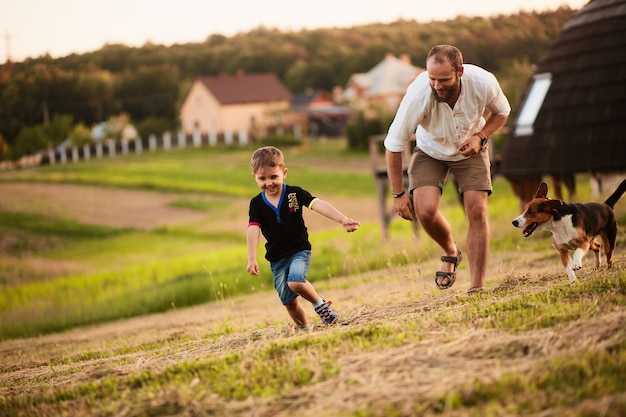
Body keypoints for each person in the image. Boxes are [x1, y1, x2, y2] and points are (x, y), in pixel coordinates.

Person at [384, 44, 510, 295]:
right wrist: (398, 194)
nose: (437, 86)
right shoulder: (419, 94)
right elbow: (394, 145)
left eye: (444, 79)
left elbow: (502, 112)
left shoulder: (484, 82)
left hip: (471, 146)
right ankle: (451, 251)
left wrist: (481, 137)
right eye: (432, 79)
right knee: (425, 210)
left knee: (477, 209)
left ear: (460, 72)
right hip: (431, 150)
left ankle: (477, 286)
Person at [246, 146, 360, 331]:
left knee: (296, 281)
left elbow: (318, 204)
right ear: (255, 177)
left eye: (274, 177)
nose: (269, 183)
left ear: (284, 173)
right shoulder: (256, 204)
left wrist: (342, 219)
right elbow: (253, 230)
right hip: (276, 259)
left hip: (299, 250)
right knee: (289, 302)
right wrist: (251, 258)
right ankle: (305, 330)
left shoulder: (294, 194)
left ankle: (320, 305)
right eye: (262, 178)